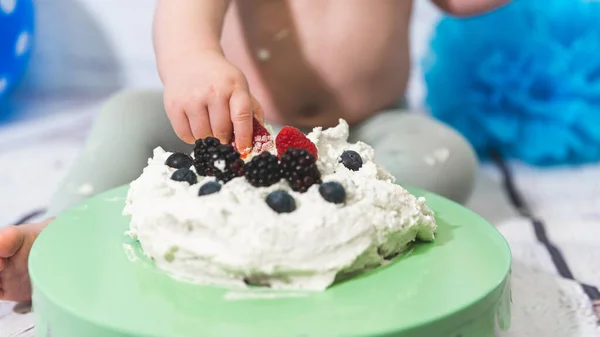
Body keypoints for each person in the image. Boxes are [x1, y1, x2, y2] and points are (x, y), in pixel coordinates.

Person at [0, 0, 509, 302]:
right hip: (236, 130)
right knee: (129, 115)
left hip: (363, 136)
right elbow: (184, 13)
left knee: (444, 155)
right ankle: (56, 242)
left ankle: (352, 229)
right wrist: (194, 60)